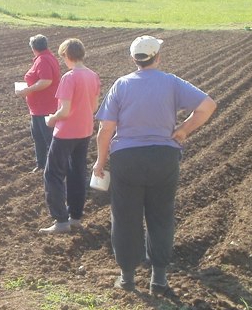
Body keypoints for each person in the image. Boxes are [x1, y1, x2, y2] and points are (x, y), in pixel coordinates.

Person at [93, 35, 217, 296]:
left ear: (133, 59)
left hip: (127, 159)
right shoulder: (171, 82)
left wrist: (100, 162)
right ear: (158, 57)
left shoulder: (121, 85)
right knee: (161, 216)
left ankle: (127, 278)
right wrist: (183, 130)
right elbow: (207, 106)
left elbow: (105, 130)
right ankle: (158, 278)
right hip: (164, 157)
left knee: (126, 218)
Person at [39, 38, 101, 234]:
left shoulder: (69, 77)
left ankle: (60, 221)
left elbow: (64, 112)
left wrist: (51, 119)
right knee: (77, 173)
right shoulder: (93, 76)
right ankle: (75, 217)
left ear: (66, 55)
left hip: (65, 133)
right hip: (84, 131)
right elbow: (94, 107)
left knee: (53, 174)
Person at [16, 34, 60, 173]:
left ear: (33, 48)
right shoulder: (48, 57)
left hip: (44, 107)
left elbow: (46, 80)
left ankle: (54, 167)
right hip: (39, 107)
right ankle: (41, 165)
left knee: (47, 138)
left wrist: (28, 90)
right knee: (39, 137)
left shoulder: (43, 60)